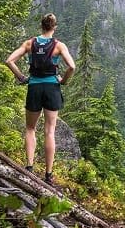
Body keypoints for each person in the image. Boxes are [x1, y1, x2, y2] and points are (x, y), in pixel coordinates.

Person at [5, 13, 75, 185]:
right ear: (54, 27)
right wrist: (63, 81)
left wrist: (22, 77)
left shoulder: (30, 43)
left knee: (30, 128)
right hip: (52, 88)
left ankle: (29, 167)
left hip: (34, 87)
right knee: (50, 131)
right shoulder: (59, 46)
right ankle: (48, 175)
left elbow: (9, 61)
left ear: (41, 26)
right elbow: (72, 66)